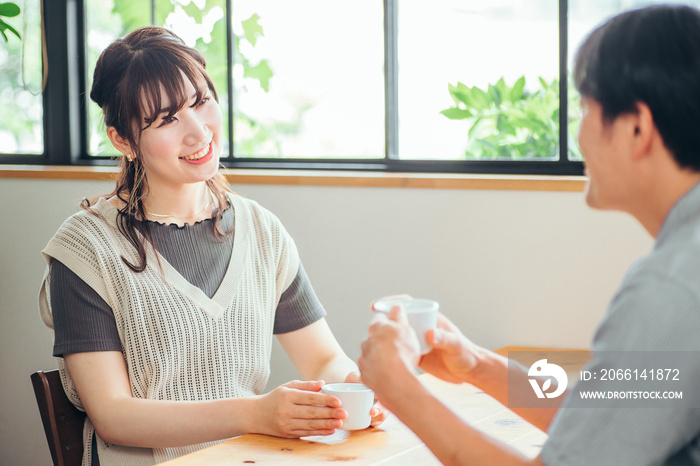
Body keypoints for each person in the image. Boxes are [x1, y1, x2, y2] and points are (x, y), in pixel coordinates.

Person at [358, 4, 700, 465]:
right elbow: (602, 416)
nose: (579, 136)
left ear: (636, 127)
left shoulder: (671, 287)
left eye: (585, 109)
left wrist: (400, 390)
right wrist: (479, 365)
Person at [38, 26, 385, 466]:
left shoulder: (261, 229)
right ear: (123, 141)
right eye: (166, 120)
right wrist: (255, 414)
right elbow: (114, 417)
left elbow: (322, 361)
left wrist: (357, 392)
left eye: (200, 102)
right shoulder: (85, 249)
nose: (198, 131)